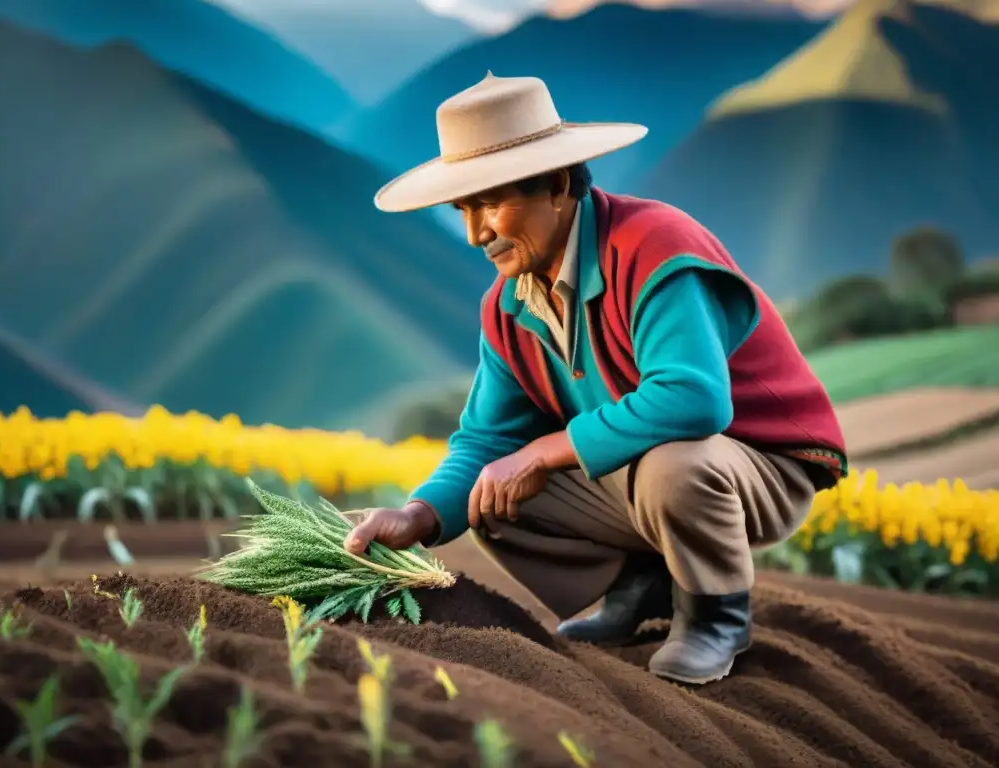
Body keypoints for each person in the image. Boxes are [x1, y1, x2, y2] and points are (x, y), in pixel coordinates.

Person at [344, 72, 847, 685]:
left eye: (491, 203)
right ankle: (640, 587)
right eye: (464, 209)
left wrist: (545, 451)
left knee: (673, 464)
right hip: (648, 465)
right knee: (489, 493)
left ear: (557, 185)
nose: (477, 233)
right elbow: (483, 441)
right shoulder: (507, 306)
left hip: (757, 464)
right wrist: (419, 516)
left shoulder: (655, 245)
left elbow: (695, 399)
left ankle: (717, 615)